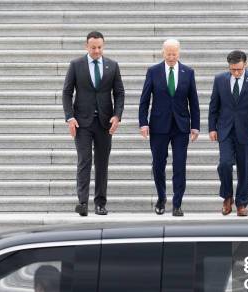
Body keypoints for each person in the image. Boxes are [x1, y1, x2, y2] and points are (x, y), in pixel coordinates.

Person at [62, 31, 125, 216]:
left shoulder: (112, 66)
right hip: (82, 122)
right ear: (86, 46)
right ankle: (82, 203)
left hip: (104, 122)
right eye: (93, 47)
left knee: (102, 163)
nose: (97, 51)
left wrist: (117, 115)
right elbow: (67, 93)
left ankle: (100, 203)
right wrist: (69, 117)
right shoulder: (76, 65)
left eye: (99, 47)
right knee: (84, 161)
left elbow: (119, 93)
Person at [139, 39, 200, 216]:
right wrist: (143, 122)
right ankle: (161, 198)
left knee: (179, 165)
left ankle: (177, 203)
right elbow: (144, 100)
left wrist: (195, 126)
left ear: (179, 53)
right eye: (168, 53)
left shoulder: (188, 72)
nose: (172, 57)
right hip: (158, 126)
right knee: (158, 165)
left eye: (174, 53)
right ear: (163, 53)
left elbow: (193, 101)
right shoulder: (153, 71)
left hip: (181, 127)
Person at [208, 50, 248, 216]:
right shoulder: (220, 80)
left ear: (245, 65)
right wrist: (212, 128)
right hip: (225, 130)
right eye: (232, 69)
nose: (236, 72)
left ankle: (241, 203)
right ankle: (227, 197)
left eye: (239, 69)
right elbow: (214, 106)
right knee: (225, 164)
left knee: (244, 168)